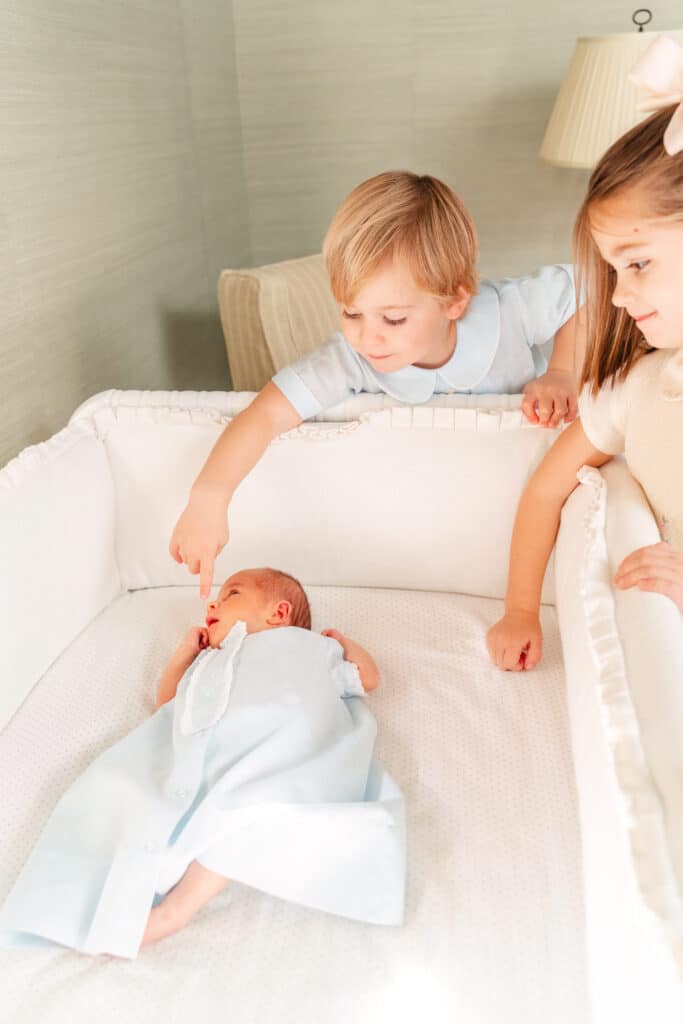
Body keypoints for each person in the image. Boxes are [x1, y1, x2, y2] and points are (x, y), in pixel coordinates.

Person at [171, 171, 583, 597]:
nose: (369, 337)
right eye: (351, 313)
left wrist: (561, 372)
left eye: (394, 318)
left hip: (519, 492)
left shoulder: (509, 311)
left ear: (456, 302)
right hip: (440, 514)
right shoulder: (352, 359)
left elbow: (583, 289)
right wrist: (209, 498)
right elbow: (265, 413)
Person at [0, 568, 405, 958]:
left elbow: (367, 679)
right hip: (222, 757)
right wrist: (184, 655)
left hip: (282, 752)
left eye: (231, 593)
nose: (212, 604)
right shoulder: (211, 660)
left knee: (255, 806)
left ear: (278, 614)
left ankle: (174, 913)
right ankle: (102, 894)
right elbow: (170, 705)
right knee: (138, 794)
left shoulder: (314, 649)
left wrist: (344, 642)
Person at [487, 99, 683, 673]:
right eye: (613, 270)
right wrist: (521, 610)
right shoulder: (638, 388)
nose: (618, 295)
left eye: (639, 264)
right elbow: (546, 490)